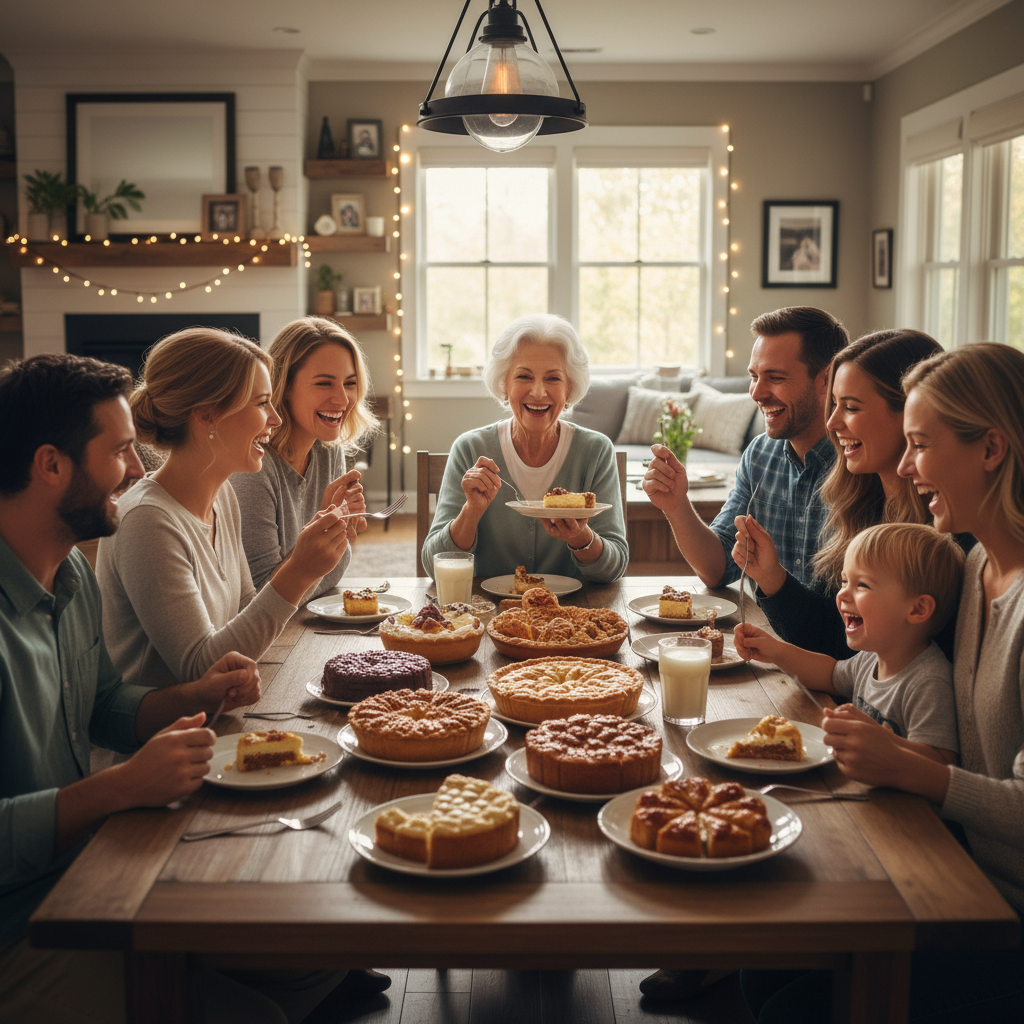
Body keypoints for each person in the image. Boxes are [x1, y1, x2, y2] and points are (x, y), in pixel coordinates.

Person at [742, 342, 1024, 1024]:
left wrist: (907, 765)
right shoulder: (977, 562)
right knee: (761, 963)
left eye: (920, 445)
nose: (902, 465)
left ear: (991, 449)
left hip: (1001, 908)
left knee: (790, 1007)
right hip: (948, 858)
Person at [0, 353, 284, 1024]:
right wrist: (124, 787)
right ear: (51, 465)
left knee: (290, 955)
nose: (138, 470)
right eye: (122, 450)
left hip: (89, 869)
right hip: (22, 926)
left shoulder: (67, 570)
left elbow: (102, 707)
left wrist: (195, 696)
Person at [96, 328, 349, 688]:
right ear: (207, 415)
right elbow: (202, 670)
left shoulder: (223, 498)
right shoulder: (147, 520)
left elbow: (245, 616)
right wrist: (299, 571)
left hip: (219, 720)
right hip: (162, 739)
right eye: (262, 403)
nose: (275, 420)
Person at [742, 329, 944, 660]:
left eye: (850, 407)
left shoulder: (943, 525)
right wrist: (770, 576)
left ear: (910, 414)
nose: (832, 422)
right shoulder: (856, 503)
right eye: (833, 404)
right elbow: (830, 636)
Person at [641, 306, 848, 596]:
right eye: (754, 376)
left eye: (775, 377)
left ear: (827, 380)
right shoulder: (760, 455)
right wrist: (676, 505)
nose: (756, 392)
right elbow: (719, 568)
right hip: (764, 633)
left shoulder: (860, 462)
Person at [421, 313, 628, 582]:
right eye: (524, 376)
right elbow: (433, 565)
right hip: (486, 614)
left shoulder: (595, 451)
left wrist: (580, 537)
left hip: (570, 617)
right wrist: (471, 512)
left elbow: (614, 569)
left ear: (570, 389)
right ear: (504, 385)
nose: (539, 392)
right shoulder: (470, 448)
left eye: (553, 379)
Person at [735, 522, 963, 765]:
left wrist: (883, 742)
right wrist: (776, 651)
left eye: (862, 585)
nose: (842, 594)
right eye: (844, 582)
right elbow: (829, 673)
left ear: (918, 609)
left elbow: (940, 764)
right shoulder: (871, 658)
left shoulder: (928, 683)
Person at [231, 317, 376, 601]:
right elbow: (258, 601)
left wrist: (338, 537)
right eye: (324, 383)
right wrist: (323, 537)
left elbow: (334, 569)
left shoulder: (328, 450)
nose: (343, 400)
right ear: (283, 388)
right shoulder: (253, 467)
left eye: (350, 383)